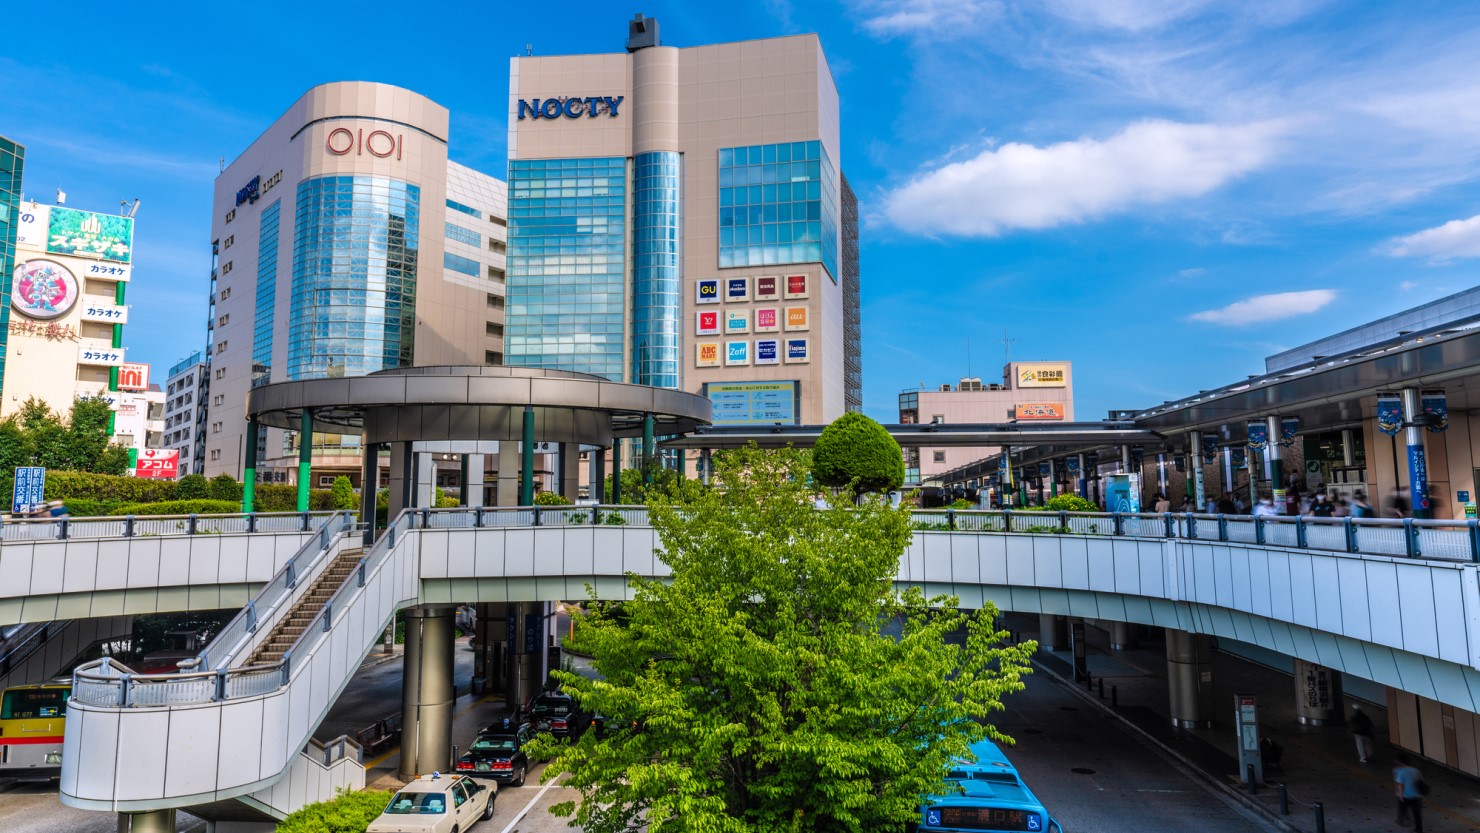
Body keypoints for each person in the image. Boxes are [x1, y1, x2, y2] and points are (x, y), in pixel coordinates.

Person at [1393, 754, 1425, 831]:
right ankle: (1419, 830)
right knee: (1417, 814)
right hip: (1417, 796)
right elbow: (1421, 782)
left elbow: (1400, 785)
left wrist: (1400, 795)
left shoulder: (1401, 772)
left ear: (1401, 762)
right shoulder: (1416, 770)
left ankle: (1400, 821)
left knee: (1402, 808)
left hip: (1406, 796)